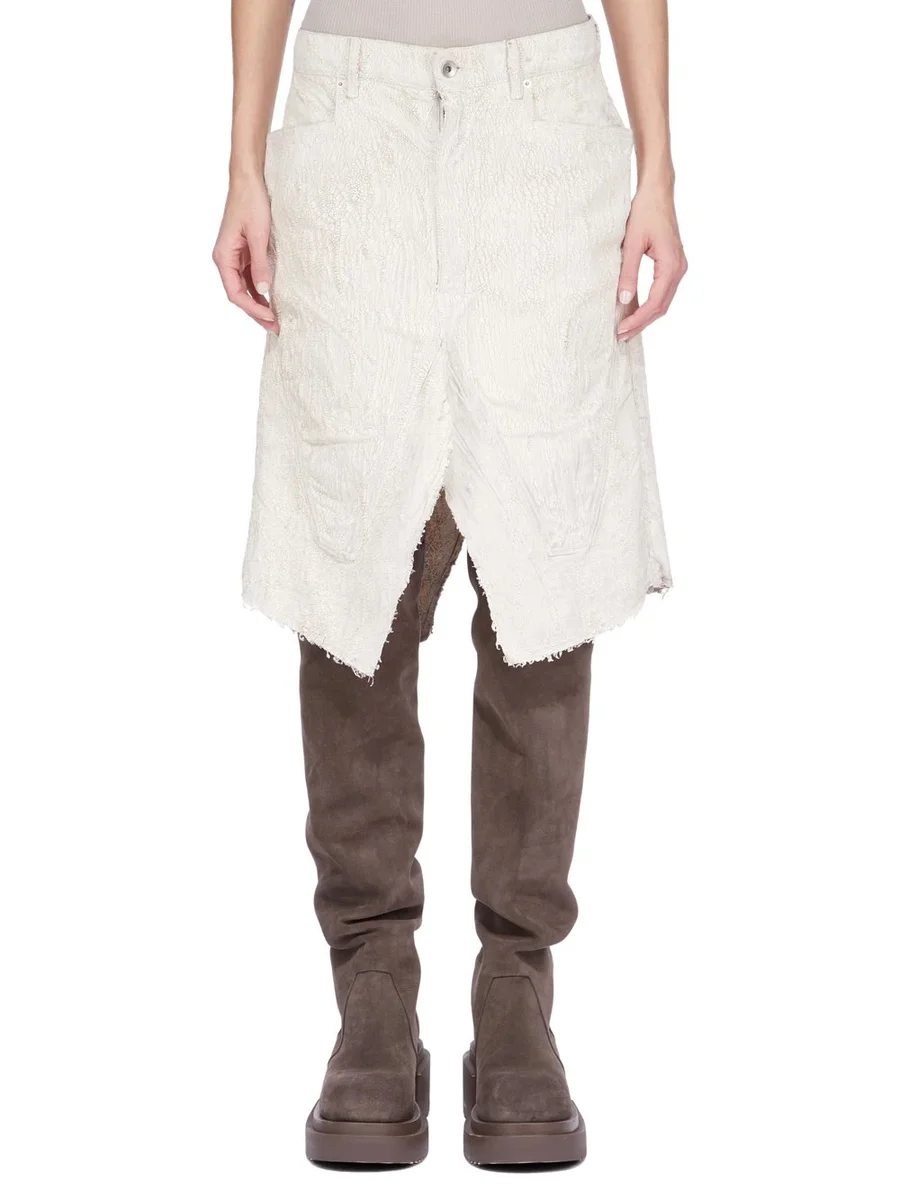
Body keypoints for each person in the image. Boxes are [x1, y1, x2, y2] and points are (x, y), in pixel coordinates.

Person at [214, 0, 686, 1168]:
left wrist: (660, 166)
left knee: (544, 579)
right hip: (348, 125)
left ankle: (516, 995)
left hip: (546, 132)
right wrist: (243, 159)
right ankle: (373, 996)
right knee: (355, 586)